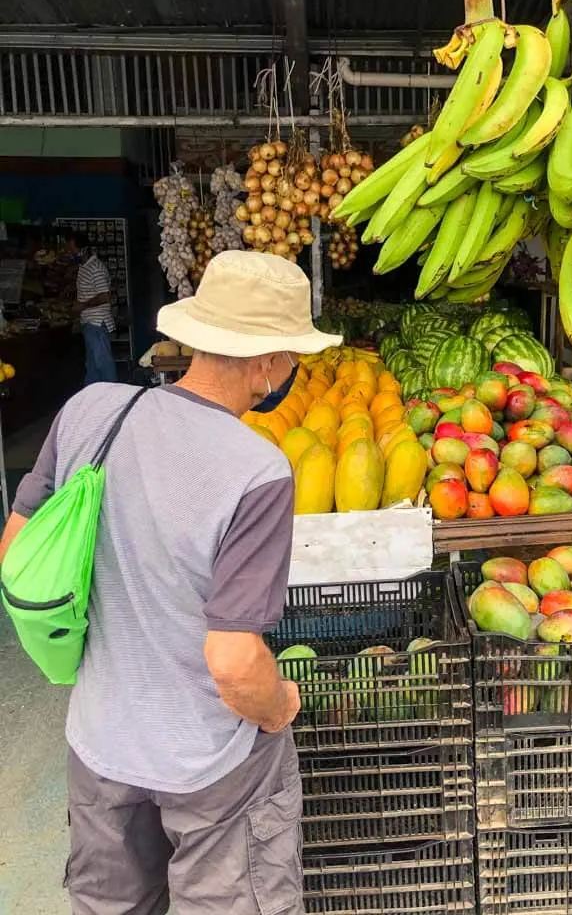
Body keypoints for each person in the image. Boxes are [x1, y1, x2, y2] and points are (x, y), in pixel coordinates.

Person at [1, 251, 342, 915]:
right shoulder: (257, 471)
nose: (294, 370)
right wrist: (278, 708)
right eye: (295, 355)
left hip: (101, 740)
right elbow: (235, 660)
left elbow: (17, 549)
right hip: (208, 765)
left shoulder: (90, 411)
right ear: (267, 362)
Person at [69, 229, 117, 385]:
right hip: (89, 323)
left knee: (103, 365)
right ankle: (91, 399)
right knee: (92, 367)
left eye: (72, 250)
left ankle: (114, 398)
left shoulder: (95, 268)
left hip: (97, 323)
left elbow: (105, 296)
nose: (71, 254)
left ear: (84, 249)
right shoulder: (84, 267)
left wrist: (82, 305)